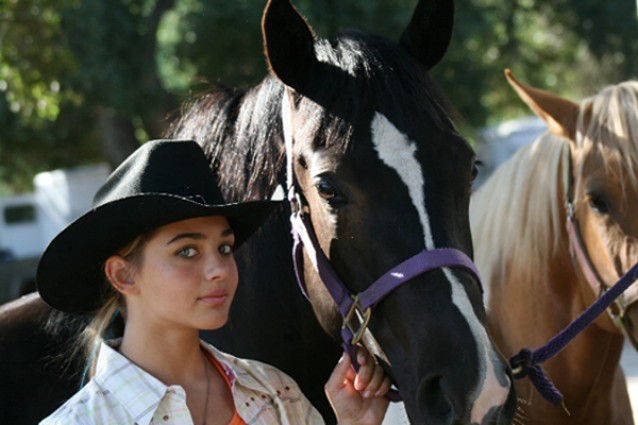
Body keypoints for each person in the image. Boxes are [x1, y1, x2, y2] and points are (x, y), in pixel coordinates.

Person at [37, 139, 390, 425]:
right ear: (122, 275)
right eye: (187, 251)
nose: (219, 268)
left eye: (224, 247)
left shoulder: (276, 394)